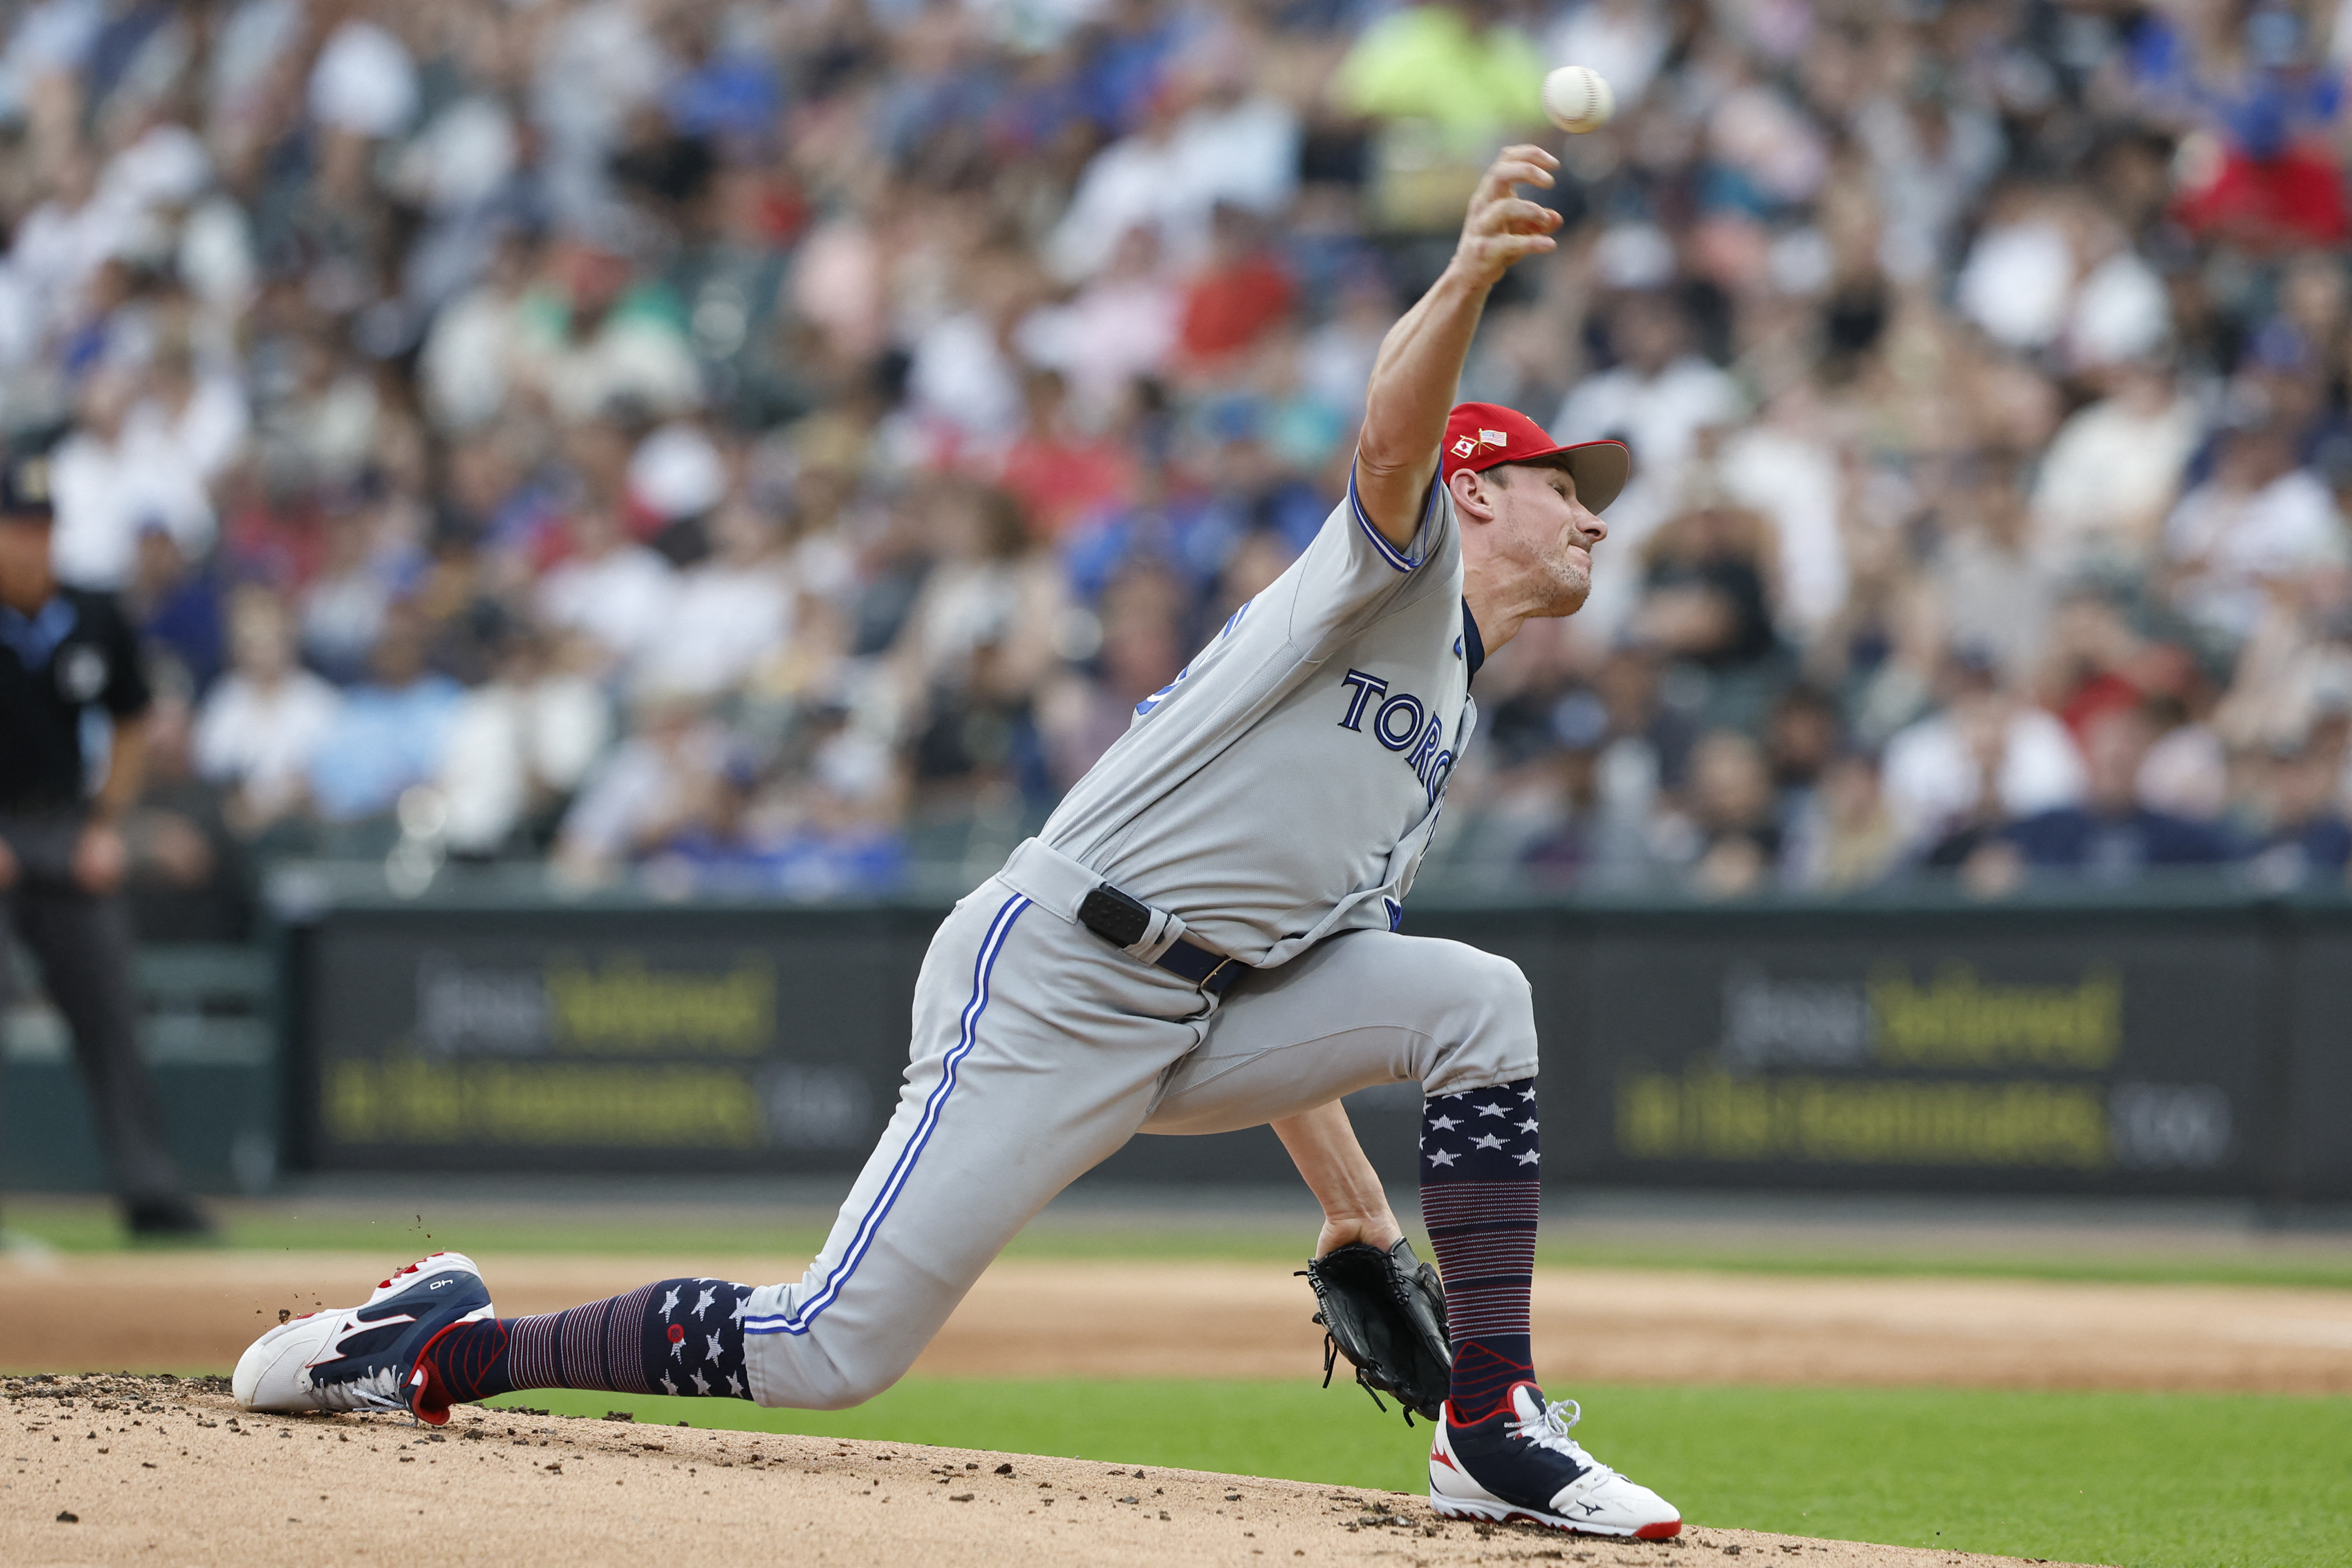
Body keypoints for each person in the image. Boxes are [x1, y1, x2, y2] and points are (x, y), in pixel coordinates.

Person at [232, 147, 1682, 1542]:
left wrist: (1359, 1218)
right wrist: (1464, 283)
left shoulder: (1444, 710)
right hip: (1054, 975)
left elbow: (1314, 963)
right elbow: (1387, 436)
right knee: (831, 1347)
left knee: (1483, 1003)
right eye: (1570, 484)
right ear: (1479, 487)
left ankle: (1491, 1423)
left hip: (1194, 1012)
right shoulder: (1401, 569)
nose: (1593, 519)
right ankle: (442, 1347)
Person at [0, 440, 212, 1239]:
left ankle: (148, 1188)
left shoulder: (91, 612)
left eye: (42, 527)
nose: (33, 543)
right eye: (17, 527)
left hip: (65, 824)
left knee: (112, 1010)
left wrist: (105, 824)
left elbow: (130, 721)